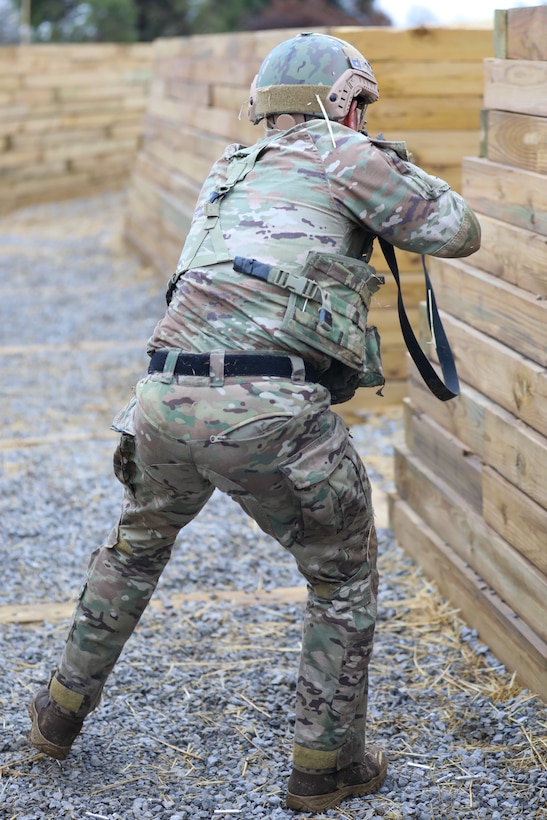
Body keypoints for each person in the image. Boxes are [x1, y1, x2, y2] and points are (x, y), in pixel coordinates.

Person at [28, 32, 481, 814]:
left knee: (134, 550)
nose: (363, 114)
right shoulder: (344, 152)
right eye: (360, 101)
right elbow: (455, 229)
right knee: (341, 576)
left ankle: (55, 719)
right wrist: (389, 158)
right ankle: (324, 766)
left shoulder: (227, 169)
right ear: (340, 99)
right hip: (266, 407)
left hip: (160, 399)